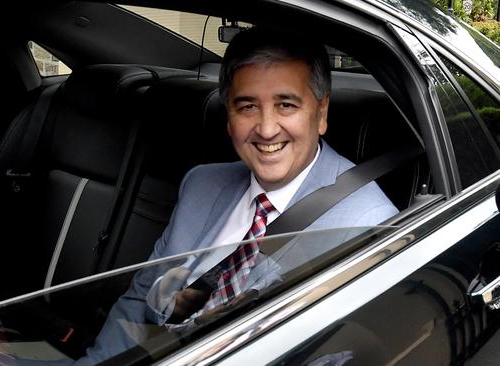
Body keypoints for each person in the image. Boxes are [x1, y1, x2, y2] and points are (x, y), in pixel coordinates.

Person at [74, 26, 398, 364]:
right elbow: (140, 303)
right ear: (228, 117)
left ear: (321, 114)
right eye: (247, 107)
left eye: (286, 105)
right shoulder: (202, 185)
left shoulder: (367, 227)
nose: (267, 128)